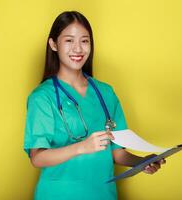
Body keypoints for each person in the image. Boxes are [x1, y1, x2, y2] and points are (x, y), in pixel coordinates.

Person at [23, 11, 166, 200]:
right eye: (69, 40)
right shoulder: (42, 97)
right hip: (58, 195)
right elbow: (38, 157)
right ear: (53, 44)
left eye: (84, 41)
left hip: (102, 195)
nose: (78, 48)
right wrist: (81, 147)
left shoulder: (106, 93)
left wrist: (142, 162)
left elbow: (117, 154)